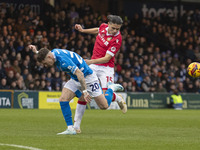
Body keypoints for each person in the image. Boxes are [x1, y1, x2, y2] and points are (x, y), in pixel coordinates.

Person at [28, 45, 124, 135]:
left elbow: (80, 74)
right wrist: (36, 51)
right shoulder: (52, 53)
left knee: (104, 106)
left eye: (45, 63)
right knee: (63, 99)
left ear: (49, 58)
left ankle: (111, 88)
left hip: (88, 78)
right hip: (75, 78)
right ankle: (70, 128)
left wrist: (85, 91)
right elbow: (45, 53)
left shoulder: (63, 61)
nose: (45, 65)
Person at [74, 14, 127, 133]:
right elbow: (97, 30)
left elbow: (107, 58)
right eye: (113, 28)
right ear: (108, 24)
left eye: (118, 29)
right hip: (93, 65)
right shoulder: (103, 27)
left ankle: (116, 97)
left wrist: (90, 61)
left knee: (104, 104)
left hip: (106, 68)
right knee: (84, 92)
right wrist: (83, 30)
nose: (115, 31)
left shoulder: (117, 39)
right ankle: (76, 126)